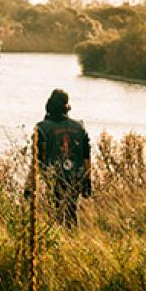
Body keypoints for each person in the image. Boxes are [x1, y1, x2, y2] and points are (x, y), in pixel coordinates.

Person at [25, 89, 92, 228]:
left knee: (57, 213)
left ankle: (63, 241)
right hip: (76, 175)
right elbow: (86, 156)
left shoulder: (42, 128)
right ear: (66, 107)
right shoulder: (79, 127)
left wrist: (29, 186)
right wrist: (87, 180)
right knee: (71, 209)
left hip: (54, 176)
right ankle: (71, 239)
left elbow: (36, 161)